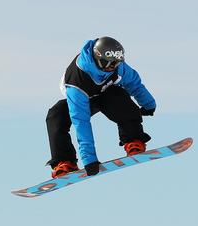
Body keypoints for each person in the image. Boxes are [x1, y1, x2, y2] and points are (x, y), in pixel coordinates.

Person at [46, 37, 156, 178]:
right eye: (108, 64)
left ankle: (133, 139)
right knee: (56, 115)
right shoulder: (76, 83)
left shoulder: (118, 67)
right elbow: (81, 122)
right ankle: (64, 161)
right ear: (97, 57)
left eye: (115, 64)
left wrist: (148, 104)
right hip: (82, 100)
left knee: (118, 94)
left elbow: (134, 82)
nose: (112, 68)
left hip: (106, 95)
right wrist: (89, 159)